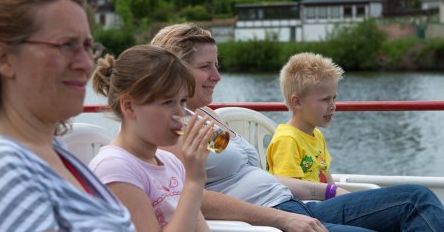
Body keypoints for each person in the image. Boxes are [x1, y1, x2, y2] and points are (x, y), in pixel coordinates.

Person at [151, 22, 444, 232]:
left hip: (294, 204)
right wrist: (279, 219)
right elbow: (186, 198)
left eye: (217, 65)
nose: (217, 75)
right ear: (173, 69)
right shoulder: (168, 127)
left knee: (415, 198)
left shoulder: (204, 115)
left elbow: (255, 177)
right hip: (270, 219)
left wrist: (326, 191)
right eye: (206, 67)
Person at [0, 0, 134, 230]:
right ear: (4, 58)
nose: (86, 63)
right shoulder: (4, 168)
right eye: (66, 45)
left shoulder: (55, 150)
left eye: (88, 46)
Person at [89, 44, 213, 231]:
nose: (180, 113)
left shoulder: (170, 162)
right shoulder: (114, 168)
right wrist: (194, 181)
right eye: (167, 102)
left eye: (182, 101)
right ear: (129, 106)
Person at [266, 53, 345, 196]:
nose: (333, 106)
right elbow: (289, 194)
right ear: (297, 102)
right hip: (305, 212)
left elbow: (326, 177)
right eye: (325, 99)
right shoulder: (287, 141)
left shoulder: (317, 135)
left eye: (334, 98)